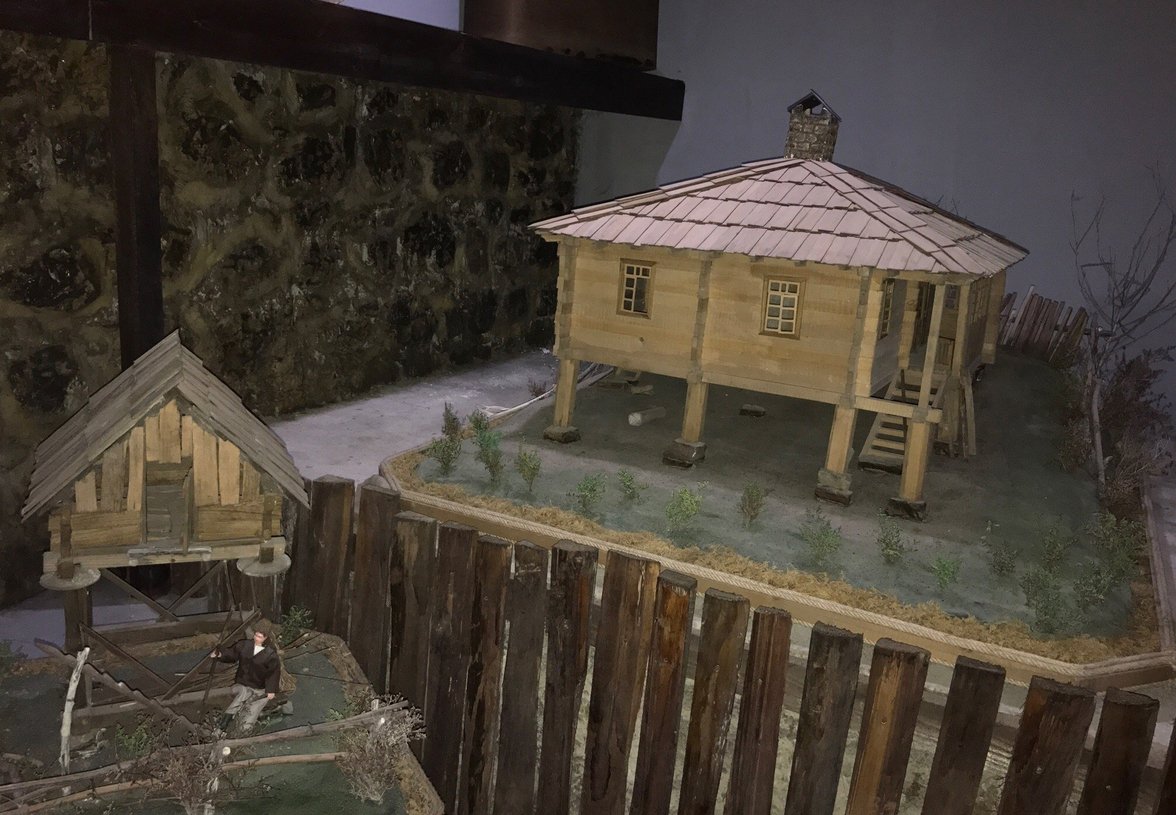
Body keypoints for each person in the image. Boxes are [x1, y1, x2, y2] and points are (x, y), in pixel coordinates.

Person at [211, 626, 281, 734]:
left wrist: (270, 690)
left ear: (265, 638)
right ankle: (223, 725)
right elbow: (232, 654)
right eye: (256, 635)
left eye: (260, 637)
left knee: (250, 716)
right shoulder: (244, 645)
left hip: (259, 689)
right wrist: (220, 654)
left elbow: (273, 672)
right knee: (243, 694)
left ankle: (242, 733)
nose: (256, 638)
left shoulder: (270, 654)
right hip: (242, 684)